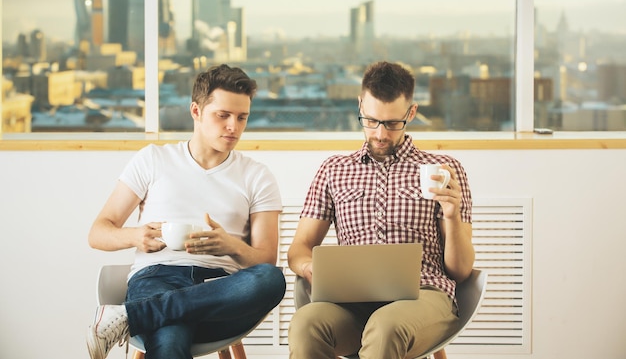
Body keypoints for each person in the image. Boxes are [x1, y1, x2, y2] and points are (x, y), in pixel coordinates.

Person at [86, 64, 286, 359]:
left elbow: (266, 259)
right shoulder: (153, 159)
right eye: (223, 116)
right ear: (196, 111)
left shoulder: (256, 175)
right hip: (157, 278)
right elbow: (98, 232)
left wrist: (230, 246)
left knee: (272, 279)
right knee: (170, 342)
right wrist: (135, 236)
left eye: (242, 117)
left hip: (220, 291)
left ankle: (131, 316)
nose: (234, 126)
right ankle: (147, 312)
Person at [287, 61, 475, 359]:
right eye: (371, 120)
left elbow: (461, 271)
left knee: (386, 326)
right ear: (360, 105)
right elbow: (300, 247)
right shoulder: (333, 170)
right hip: (350, 302)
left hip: (422, 295)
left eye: (391, 123)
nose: (379, 133)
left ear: (411, 113)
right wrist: (309, 268)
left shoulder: (444, 171)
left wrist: (452, 217)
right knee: (306, 324)